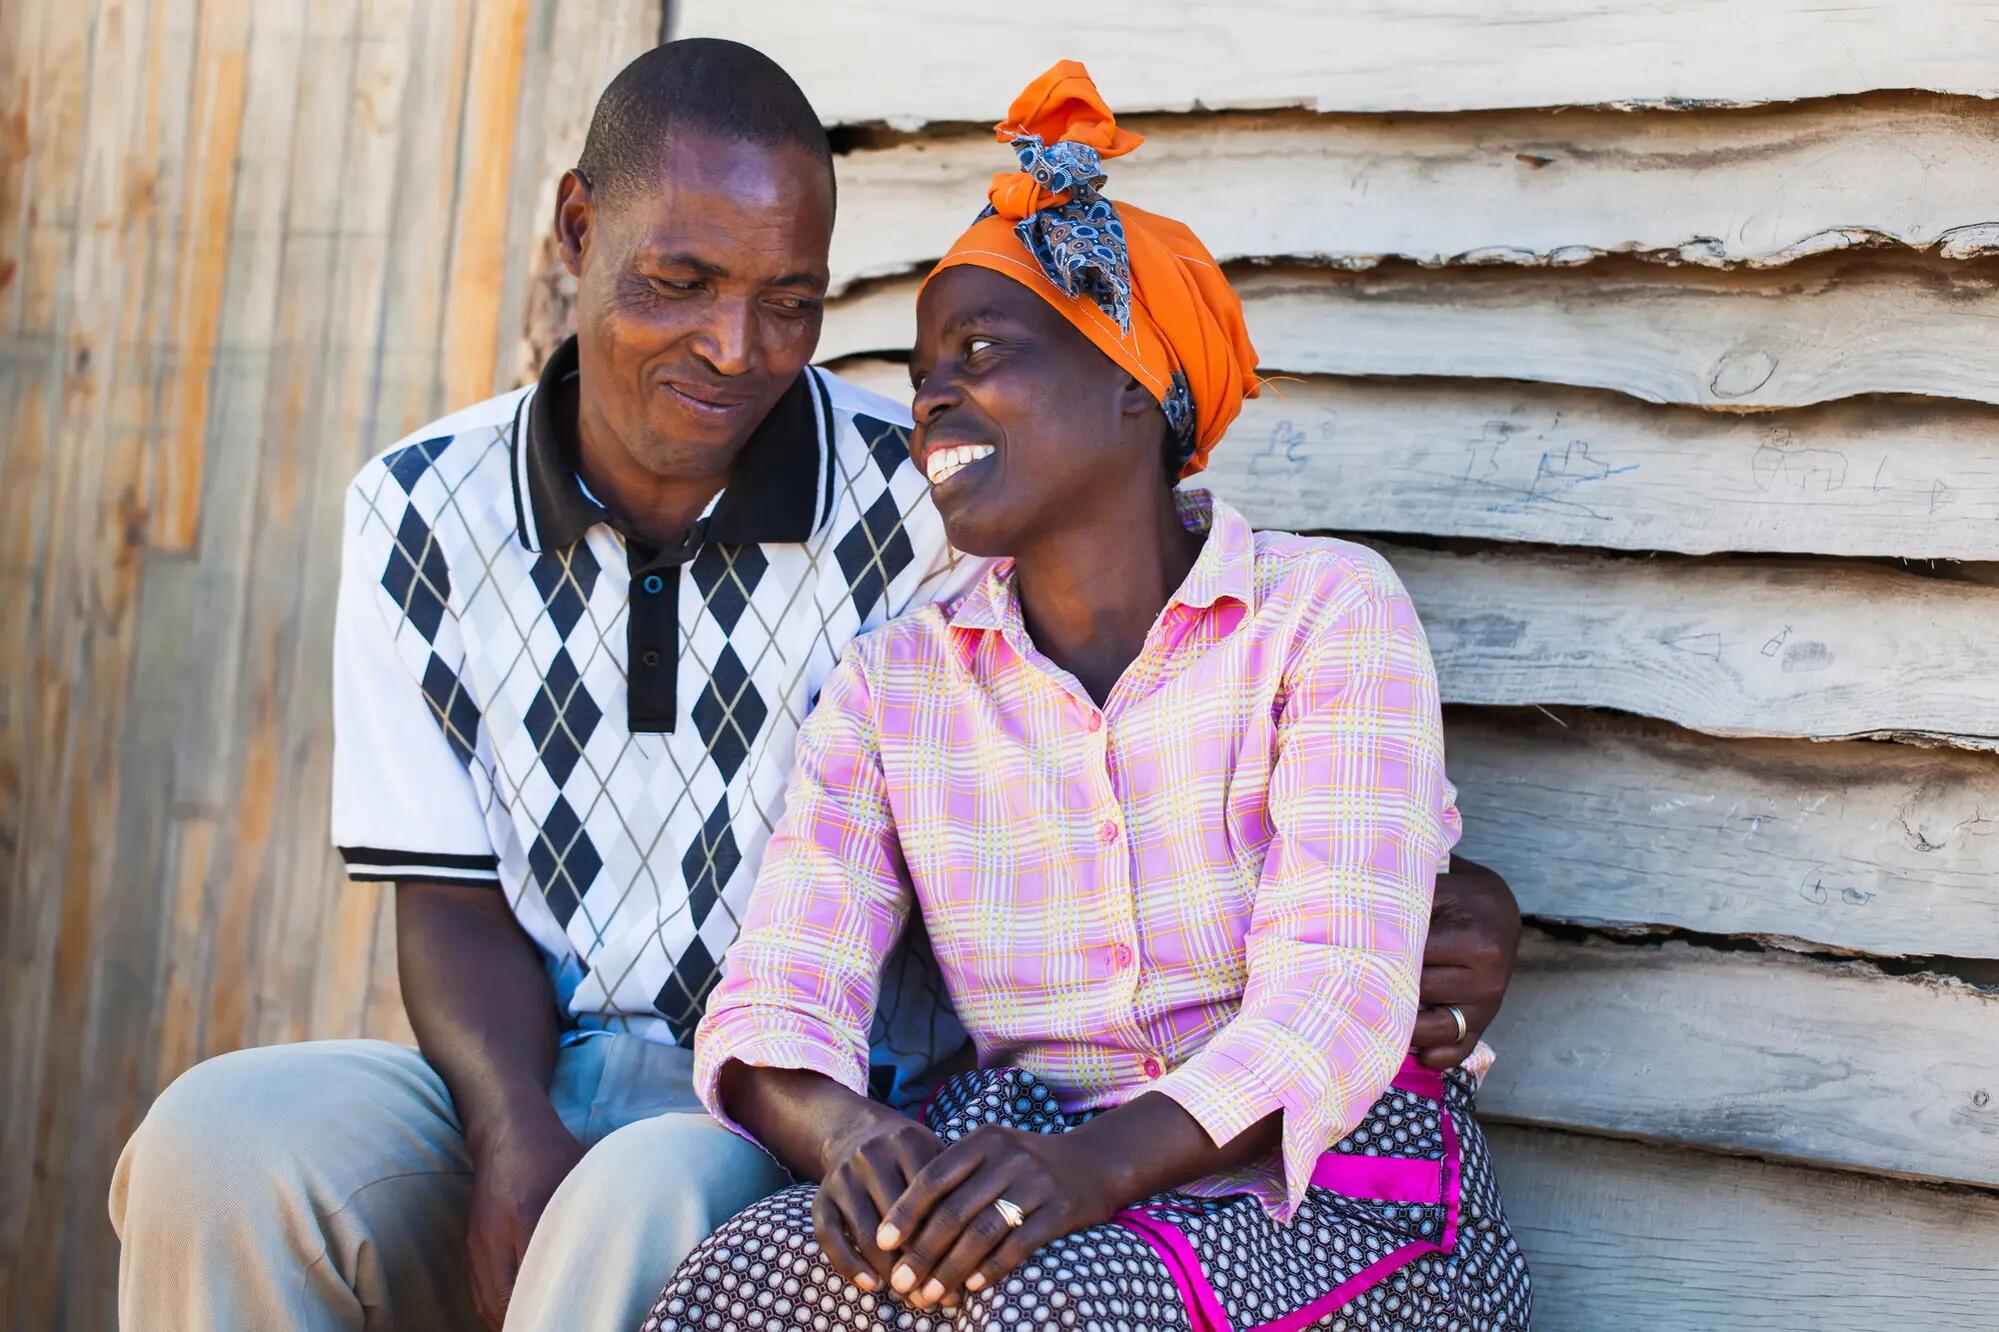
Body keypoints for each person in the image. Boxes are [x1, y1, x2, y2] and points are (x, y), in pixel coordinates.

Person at [109, 40, 1521, 1332]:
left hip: (846, 1121)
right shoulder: (424, 510)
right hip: (589, 1071)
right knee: (218, 1141)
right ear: (576, 230)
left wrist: (1426, 905)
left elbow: (1262, 830)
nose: (735, 350)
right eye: (681, 283)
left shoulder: (924, 514)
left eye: (787, 304)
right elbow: (476, 900)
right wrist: (510, 1129)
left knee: (655, 1201)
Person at [645, 63, 1531, 1332]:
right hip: (1031, 1165)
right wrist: (851, 1139)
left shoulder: (1324, 615)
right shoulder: (899, 684)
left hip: (1328, 1195)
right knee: (743, 1275)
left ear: (1134, 383)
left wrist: (1085, 1175)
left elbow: (1332, 999)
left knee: (1024, 1311)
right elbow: (780, 986)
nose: (932, 395)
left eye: (982, 353)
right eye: (921, 369)